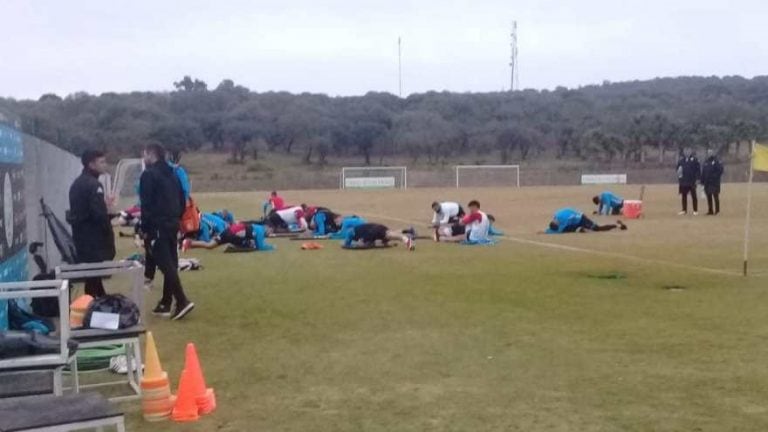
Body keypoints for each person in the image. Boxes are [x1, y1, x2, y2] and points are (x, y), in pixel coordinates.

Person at [139, 144, 194, 320]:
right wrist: (176, 219)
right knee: (171, 262)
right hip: (172, 224)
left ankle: (182, 300)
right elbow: (181, 199)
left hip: (157, 225)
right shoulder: (173, 174)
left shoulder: (148, 175)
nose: (144, 158)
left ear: (150, 154)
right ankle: (165, 302)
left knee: (165, 265)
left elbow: (146, 205)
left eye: (144, 154)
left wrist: (146, 230)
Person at [67, 150, 116, 298]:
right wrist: (108, 229)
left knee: (93, 279)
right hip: (93, 240)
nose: (104, 165)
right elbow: (99, 215)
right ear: (91, 164)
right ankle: (94, 306)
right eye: (101, 162)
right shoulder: (94, 185)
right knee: (93, 278)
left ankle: (98, 301)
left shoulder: (76, 184)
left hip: (81, 238)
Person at [544, 208, 626, 234]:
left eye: (558, 224)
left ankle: (617, 225)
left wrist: (546, 232)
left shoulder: (564, 220)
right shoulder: (556, 215)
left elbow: (560, 231)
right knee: (567, 229)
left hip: (582, 218)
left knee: (597, 228)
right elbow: (568, 209)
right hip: (575, 219)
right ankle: (579, 229)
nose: (559, 224)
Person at [343, 223, 415, 250]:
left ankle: (406, 238)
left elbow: (348, 243)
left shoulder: (351, 232)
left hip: (374, 230)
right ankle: (407, 237)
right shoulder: (356, 231)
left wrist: (358, 243)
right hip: (376, 230)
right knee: (390, 235)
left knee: (390, 235)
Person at [677, 148, 701, 215]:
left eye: (688, 151)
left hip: (692, 181)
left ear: (690, 152)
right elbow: (678, 170)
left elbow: (698, 170)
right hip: (684, 181)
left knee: (694, 196)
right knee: (684, 196)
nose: (686, 152)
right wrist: (680, 177)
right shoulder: (681, 161)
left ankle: (695, 210)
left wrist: (697, 179)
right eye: (685, 151)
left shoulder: (695, 160)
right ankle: (684, 210)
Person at [701, 150, 724, 215]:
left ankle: (717, 211)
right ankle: (710, 210)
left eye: (710, 153)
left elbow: (720, 170)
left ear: (713, 153)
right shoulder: (706, 162)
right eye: (708, 153)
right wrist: (702, 180)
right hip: (707, 183)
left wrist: (714, 177)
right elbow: (703, 172)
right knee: (709, 197)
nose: (709, 154)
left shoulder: (716, 161)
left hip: (714, 183)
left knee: (715, 196)